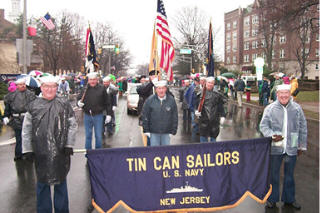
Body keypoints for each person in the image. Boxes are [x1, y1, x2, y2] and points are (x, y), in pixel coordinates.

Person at [22, 74, 78, 213]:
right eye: (46, 86)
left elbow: (72, 125)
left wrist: (68, 145)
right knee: (42, 185)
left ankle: (62, 210)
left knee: (60, 183)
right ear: (42, 87)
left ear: (56, 87)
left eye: (53, 86)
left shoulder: (64, 104)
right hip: (41, 152)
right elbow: (27, 129)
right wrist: (27, 149)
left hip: (60, 152)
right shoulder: (33, 105)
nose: (49, 89)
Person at [259, 84, 307, 210]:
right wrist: (272, 135)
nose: (284, 95)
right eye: (282, 93)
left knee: (289, 174)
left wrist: (301, 145)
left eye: (287, 93)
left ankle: (289, 199)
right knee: (274, 175)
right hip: (276, 146)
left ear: (290, 94)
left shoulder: (297, 108)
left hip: (292, 145)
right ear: (277, 94)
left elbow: (302, 127)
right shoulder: (270, 109)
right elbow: (263, 126)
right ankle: (272, 199)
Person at [3, 77, 36, 161]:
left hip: (28, 118)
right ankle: (18, 154)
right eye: (21, 84)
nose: (23, 86)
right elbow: (8, 107)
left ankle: (28, 153)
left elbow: (35, 106)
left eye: (24, 84)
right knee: (19, 137)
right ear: (17, 85)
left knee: (28, 136)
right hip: (16, 119)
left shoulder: (30, 94)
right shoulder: (11, 95)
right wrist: (6, 116)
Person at [77, 72, 111, 149]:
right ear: (88, 80)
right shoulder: (85, 89)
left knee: (98, 136)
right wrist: (78, 103)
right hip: (87, 115)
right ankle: (88, 153)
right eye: (90, 79)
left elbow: (107, 102)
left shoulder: (102, 88)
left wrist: (109, 114)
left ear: (97, 80)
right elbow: (79, 99)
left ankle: (98, 153)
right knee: (88, 136)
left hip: (98, 115)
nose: (92, 81)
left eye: (94, 79)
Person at [142, 80, 178, 146]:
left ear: (166, 89)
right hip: (153, 132)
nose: (161, 91)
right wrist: (146, 130)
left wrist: (173, 130)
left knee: (165, 153)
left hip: (166, 132)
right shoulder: (150, 100)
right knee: (155, 153)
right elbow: (145, 115)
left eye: (163, 88)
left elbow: (174, 116)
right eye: (159, 88)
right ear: (156, 90)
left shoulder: (171, 100)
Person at [195, 77, 227, 142]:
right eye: (209, 82)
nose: (210, 84)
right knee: (203, 140)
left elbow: (220, 106)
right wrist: (196, 110)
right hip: (203, 120)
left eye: (212, 83)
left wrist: (223, 115)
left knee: (213, 141)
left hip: (214, 120)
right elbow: (195, 103)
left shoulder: (217, 94)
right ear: (206, 83)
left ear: (214, 84)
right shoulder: (200, 93)